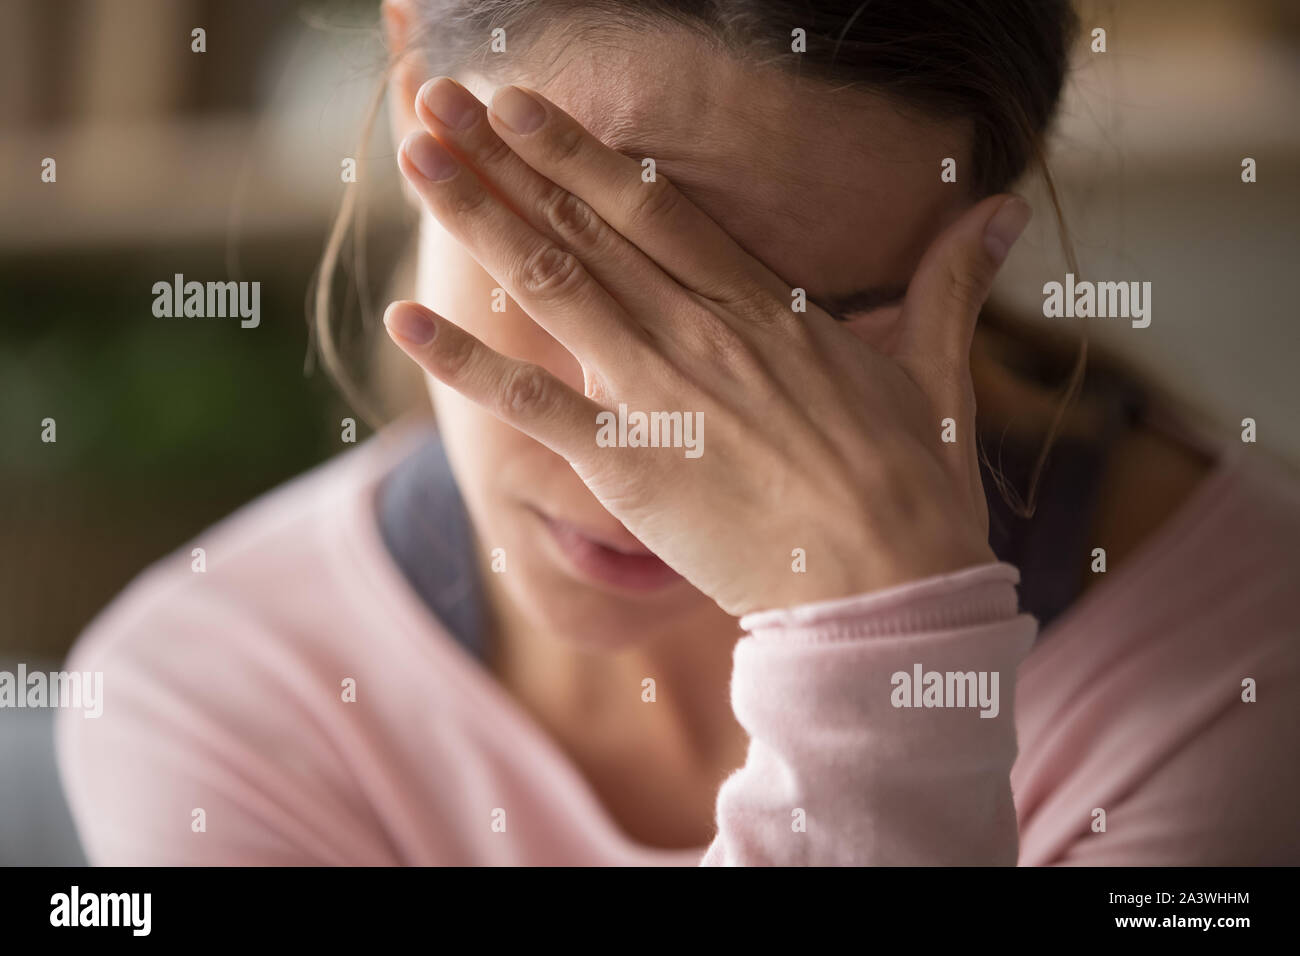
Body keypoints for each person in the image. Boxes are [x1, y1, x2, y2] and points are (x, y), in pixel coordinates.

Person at [57, 0, 1300, 865]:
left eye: (814, 324)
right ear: (407, 91)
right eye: (576, 266)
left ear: (978, 228)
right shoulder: (221, 693)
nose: (639, 452)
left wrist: (879, 641)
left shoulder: (1236, 675)